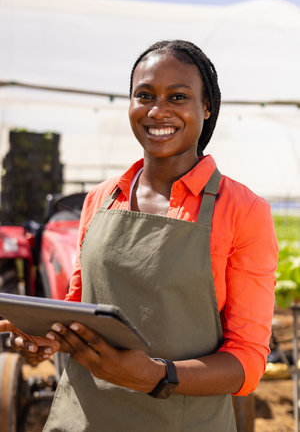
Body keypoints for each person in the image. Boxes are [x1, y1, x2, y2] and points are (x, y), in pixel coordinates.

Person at [0, 40, 278, 432]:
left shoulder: (244, 210)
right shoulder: (100, 199)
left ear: (207, 107)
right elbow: (79, 307)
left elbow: (247, 360)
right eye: (144, 95)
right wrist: (50, 340)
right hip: (82, 418)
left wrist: (156, 375)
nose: (157, 110)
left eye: (177, 96)